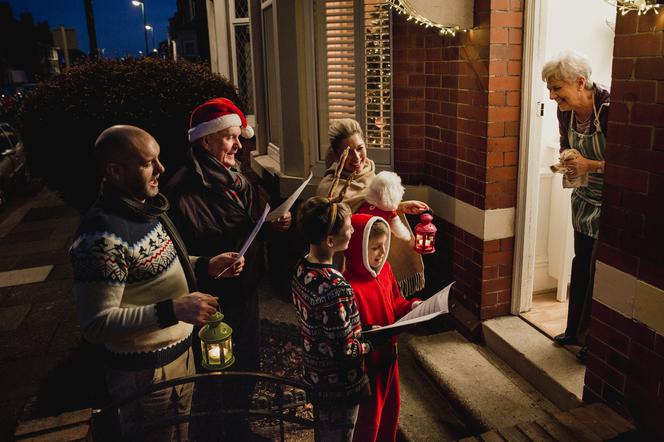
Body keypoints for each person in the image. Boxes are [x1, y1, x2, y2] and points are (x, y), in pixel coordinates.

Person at [70, 125, 242, 441]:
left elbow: (155, 264)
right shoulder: (100, 237)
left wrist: (205, 264)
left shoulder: (143, 209)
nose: (161, 169)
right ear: (115, 171)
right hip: (145, 373)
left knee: (181, 432)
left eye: (159, 159)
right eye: (149, 162)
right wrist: (173, 309)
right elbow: (95, 325)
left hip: (177, 355)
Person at [164, 97, 291, 437]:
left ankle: (239, 426)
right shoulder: (181, 189)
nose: (239, 145)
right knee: (216, 372)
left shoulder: (240, 178)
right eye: (230, 137)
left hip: (245, 291)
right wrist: (206, 265)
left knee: (248, 363)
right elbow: (174, 253)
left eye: (239, 136)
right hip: (211, 300)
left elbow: (250, 223)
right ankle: (215, 432)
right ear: (205, 140)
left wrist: (274, 224)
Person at [542, 50, 609, 363]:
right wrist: (568, 159)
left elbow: (629, 165)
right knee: (581, 263)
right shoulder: (566, 112)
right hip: (584, 200)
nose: (552, 95)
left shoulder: (610, 109)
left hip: (611, 202)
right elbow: (566, 143)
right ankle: (574, 331)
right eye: (550, 89)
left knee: (601, 271)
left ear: (581, 82)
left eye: (557, 88)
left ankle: (594, 343)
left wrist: (590, 165)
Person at [315, 118, 429, 298]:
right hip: (351, 259)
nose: (357, 158)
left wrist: (401, 207)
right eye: (348, 152)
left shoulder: (369, 172)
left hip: (377, 252)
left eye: (360, 148)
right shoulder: (328, 187)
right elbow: (352, 217)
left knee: (386, 294)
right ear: (338, 155)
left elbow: (374, 208)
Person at [292, 196, 374, 442]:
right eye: (348, 227)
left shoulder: (301, 268)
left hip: (315, 375)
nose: (352, 230)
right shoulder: (334, 286)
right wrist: (372, 342)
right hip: (339, 386)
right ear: (330, 240)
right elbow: (343, 350)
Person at [343, 214, 421, 442]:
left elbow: (396, 302)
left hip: (390, 357)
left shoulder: (386, 270)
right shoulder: (349, 287)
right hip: (367, 365)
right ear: (358, 248)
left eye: (384, 246)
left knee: (390, 412)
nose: (381, 253)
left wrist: (412, 306)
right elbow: (350, 332)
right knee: (369, 420)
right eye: (374, 247)